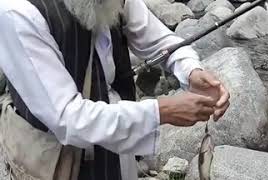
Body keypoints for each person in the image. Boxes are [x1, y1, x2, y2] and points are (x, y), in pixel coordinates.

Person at [0, 0, 230, 179]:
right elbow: (67, 118)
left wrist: (190, 70)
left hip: (119, 153)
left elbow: (158, 40)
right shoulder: (18, 12)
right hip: (54, 160)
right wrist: (160, 112)